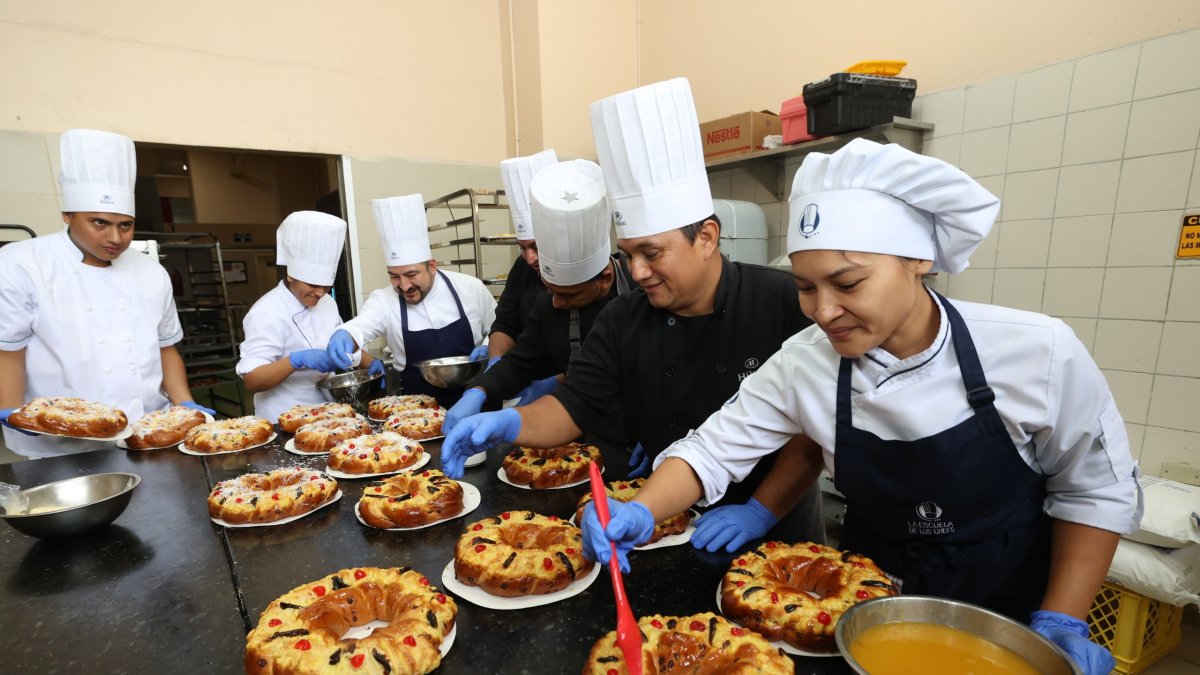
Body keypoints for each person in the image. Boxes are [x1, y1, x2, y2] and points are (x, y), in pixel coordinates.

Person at [582, 138, 1142, 675]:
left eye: (847, 283)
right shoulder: (806, 364)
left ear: (918, 260)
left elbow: (1093, 489)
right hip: (865, 608)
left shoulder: (1037, 352)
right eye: (805, 287)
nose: (824, 312)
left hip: (1009, 615)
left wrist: (1062, 618)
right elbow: (713, 449)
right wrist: (641, 511)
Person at [443, 78, 825, 550]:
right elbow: (573, 405)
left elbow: (812, 432)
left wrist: (760, 510)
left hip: (775, 529)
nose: (638, 271)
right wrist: (508, 424)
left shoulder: (784, 300)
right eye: (627, 254)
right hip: (661, 514)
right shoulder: (625, 318)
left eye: (652, 252)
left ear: (706, 237)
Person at [0, 129, 213, 458]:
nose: (115, 237)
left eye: (125, 225)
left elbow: (166, 349)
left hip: (147, 430)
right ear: (67, 215)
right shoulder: (22, 264)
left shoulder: (152, 273)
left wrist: (184, 403)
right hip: (58, 440)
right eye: (99, 223)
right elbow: (8, 351)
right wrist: (11, 410)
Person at [445, 159, 632, 435]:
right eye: (551, 289)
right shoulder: (547, 304)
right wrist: (480, 390)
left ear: (604, 279)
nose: (556, 302)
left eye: (568, 295)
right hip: (574, 431)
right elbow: (521, 361)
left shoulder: (639, 297)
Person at [326, 194, 496, 407]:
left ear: (432, 266)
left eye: (411, 274)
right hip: (417, 414)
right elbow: (364, 323)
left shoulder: (470, 288)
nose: (404, 286)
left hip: (478, 403)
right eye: (394, 276)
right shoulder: (385, 300)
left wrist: (489, 346)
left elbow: (500, 328)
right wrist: (347, 334)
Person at [236, 211, 383, 421]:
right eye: (313, 285)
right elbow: (252, 380)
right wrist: (296, 361)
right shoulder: (266, 312)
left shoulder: (327, 302)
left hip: (329, 413)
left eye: (326, 286)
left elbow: (339, 345)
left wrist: (371, 363)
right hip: (284, 417)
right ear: (290, 275)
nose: (320, 292)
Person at [470, 149, 557, 365]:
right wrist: (496, 363)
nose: (530, 259)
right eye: (522, 248)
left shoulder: (585, 274)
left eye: (536, 246)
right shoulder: (522, 268)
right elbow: (505, 324)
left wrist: (556, 382)